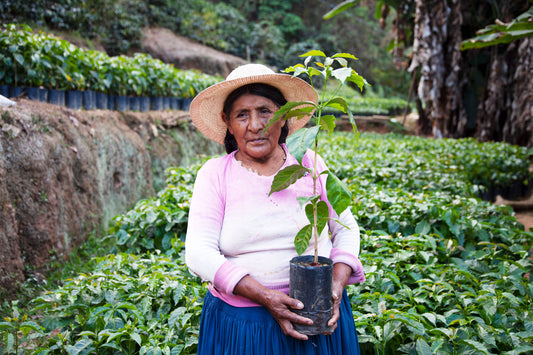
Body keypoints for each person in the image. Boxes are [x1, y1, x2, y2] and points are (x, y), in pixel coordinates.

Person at [185, 63, 365, 354]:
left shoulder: (309, 163)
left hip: (316, 316)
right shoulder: (215, 174)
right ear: (227, 122)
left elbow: (345, 227)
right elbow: (198, 253)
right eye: (242, 115)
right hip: (245, 326)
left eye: (265, 111)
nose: (255, 125)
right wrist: (266, 297)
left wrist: (337, 282)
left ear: (284, 116)